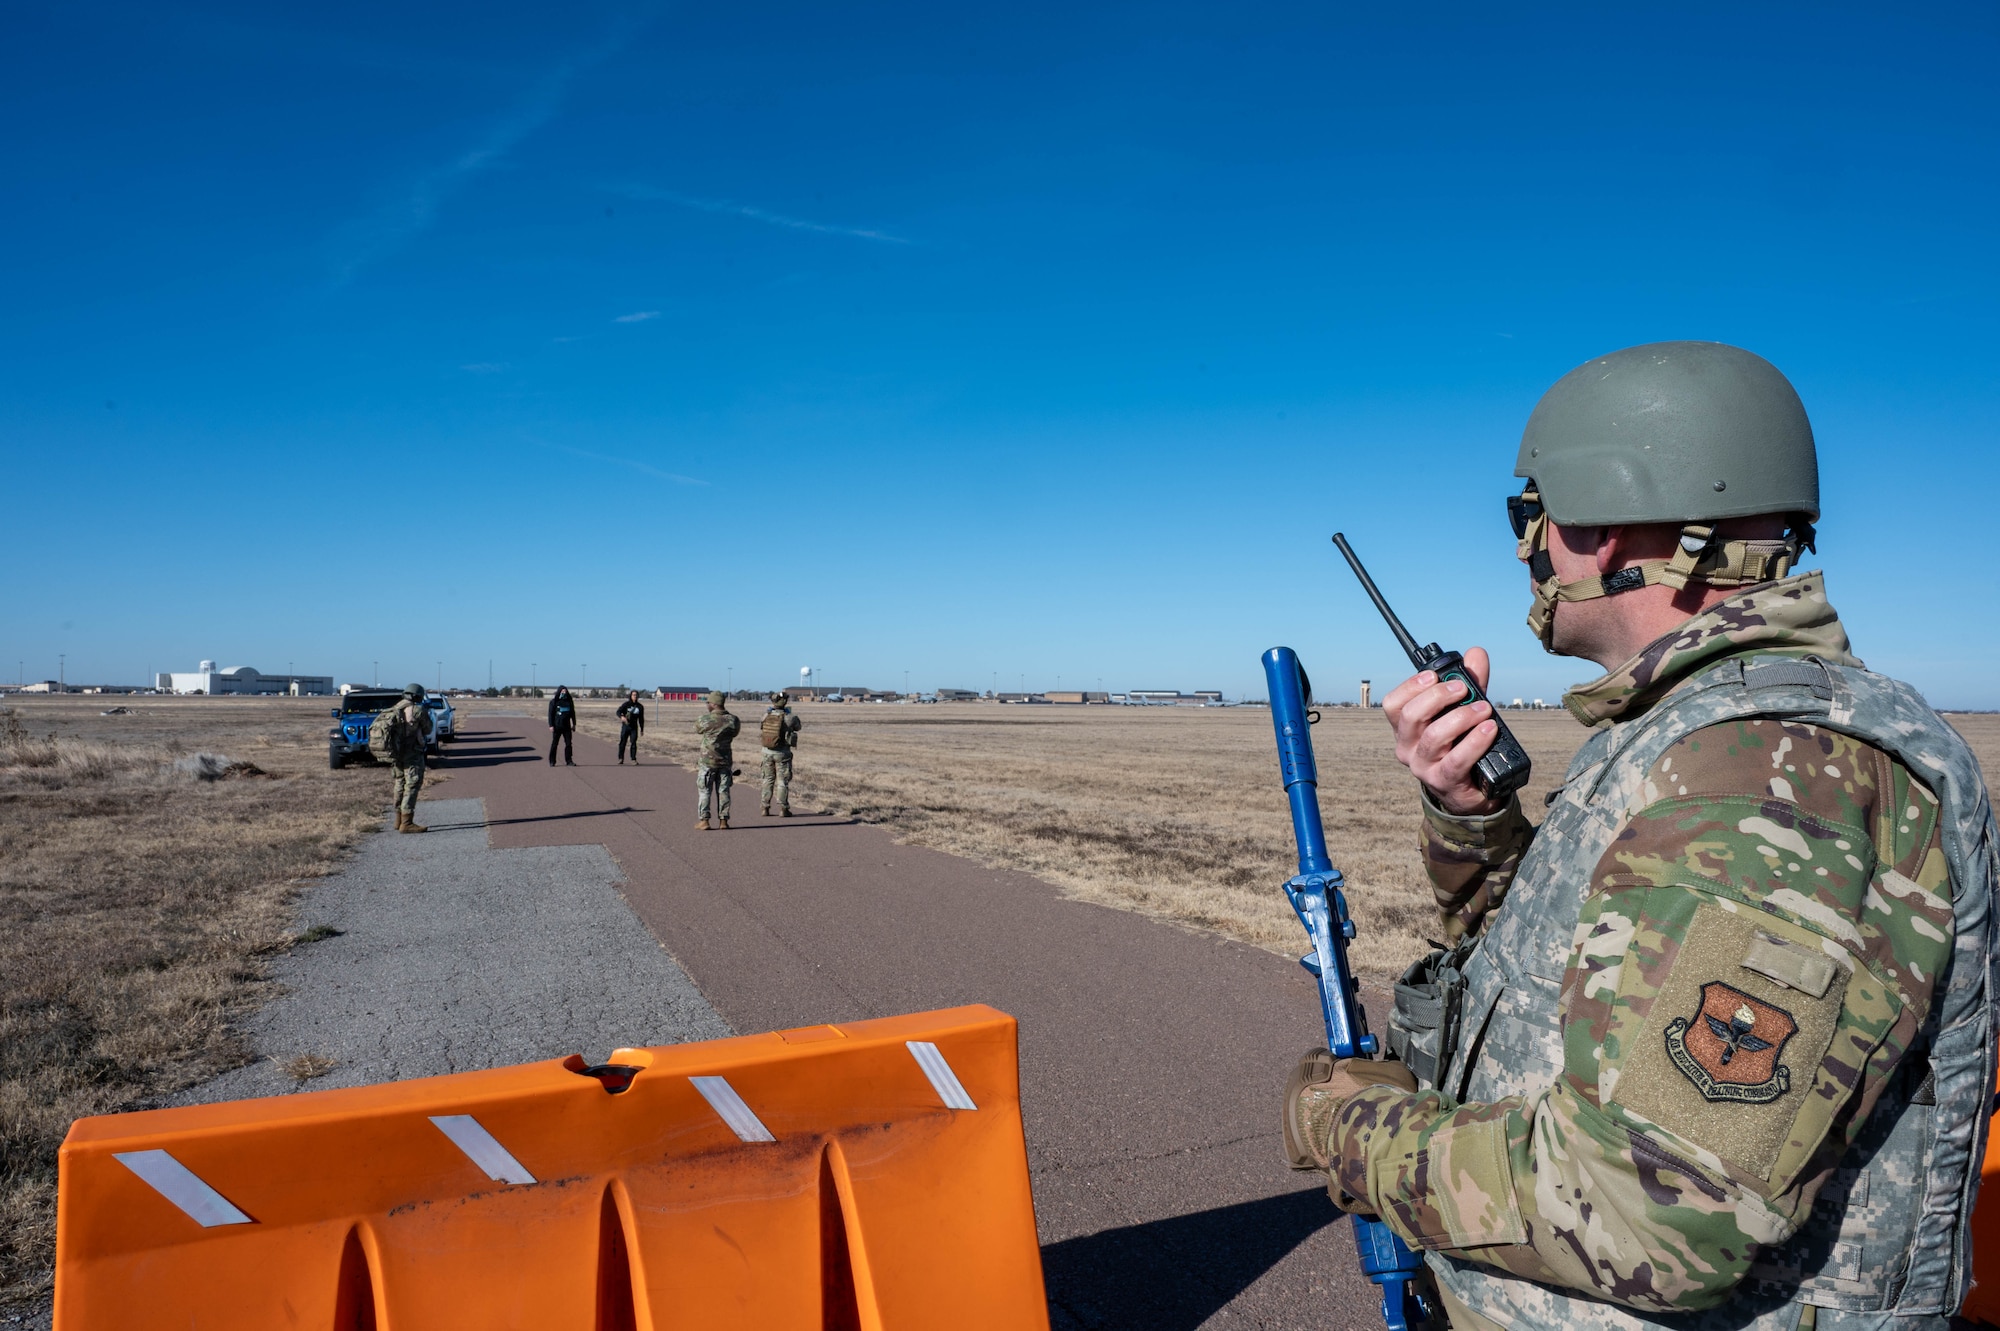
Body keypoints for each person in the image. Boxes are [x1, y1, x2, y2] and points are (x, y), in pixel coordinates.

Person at [1281, 342, 1997, 1330]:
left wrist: (1346, 1126)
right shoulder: (1696, 734)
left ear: (1601, 519)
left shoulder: (1760, 776)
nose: (1526, 549)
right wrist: (1469, 812)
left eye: (1527, 515)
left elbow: (1644, 1219)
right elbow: (1564, 979)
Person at [382, 683, 434, 833]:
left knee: (399, 783)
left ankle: (398, 819)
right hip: (412, 752)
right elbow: (428, 729)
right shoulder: (417, 710)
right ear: (418, 696)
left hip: (396, 752)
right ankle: (407, 822)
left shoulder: (395, 708)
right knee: (412, 784)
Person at [694, 690, 740, 830]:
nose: (707, 705)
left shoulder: (704, 720)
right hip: (725, 761)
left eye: (708, 703)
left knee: (705, 791)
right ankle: (723, 821)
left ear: (714, 704)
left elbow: (698, 730)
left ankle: (704, 821)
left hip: (708, 762)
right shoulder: (733, 720)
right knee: (724, 791)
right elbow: (735, 733)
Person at [758, 691, 803, 816]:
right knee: (782, 781)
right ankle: (783, 808)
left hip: (767, 752)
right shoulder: (790, 717)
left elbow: (761, 727)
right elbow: (798, 727)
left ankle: (765, 807)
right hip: (782, 753)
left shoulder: (765, 715)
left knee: (767, 779)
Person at [547, 685, 577, 766]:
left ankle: (569, 760)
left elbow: (572, 713)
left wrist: (574, 724)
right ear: (559, 692)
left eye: (565, 691)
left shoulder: (569, 702)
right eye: (562, 691)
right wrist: (551, 725)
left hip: (567, 727)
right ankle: (552, 761)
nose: (564, 693)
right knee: (554, 744)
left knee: (568, 744)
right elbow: (550, 714)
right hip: (557, 726)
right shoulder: (554, 702)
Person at [616, 690, 646, 764]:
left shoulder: (640, 707)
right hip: (626, 726)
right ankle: (621, 758)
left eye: (636, 695)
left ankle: (633, 759)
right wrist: (622, 717)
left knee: (633, 742)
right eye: (633, 695)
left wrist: (642, 729)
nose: (635, 696)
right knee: (623, 742)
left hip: (634, 727)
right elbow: (618, 712)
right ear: (631, 696)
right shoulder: (626, 704)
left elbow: (641, 719)